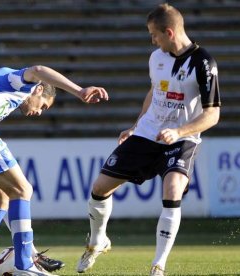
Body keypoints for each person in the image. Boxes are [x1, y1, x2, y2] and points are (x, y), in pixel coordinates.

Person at [76, 3, 221, 276]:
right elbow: (155, 92)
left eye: (154, 34)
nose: (152, 40)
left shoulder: (203, 63)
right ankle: (97, 240)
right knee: (100, 187)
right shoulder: (157, 58)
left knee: (173, 188)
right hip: (147, 133)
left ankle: (158, 266)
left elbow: (212, 115)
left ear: (168, 32)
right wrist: (134, 126)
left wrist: (179, 132)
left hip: (182, 137)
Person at [0, 65, 109, 276]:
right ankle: (24, 264)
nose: (39, 112)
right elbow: (38, 69)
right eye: (44, 106)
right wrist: (79, 91)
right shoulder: (22, 82)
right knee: (22, 190)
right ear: (38, 90)